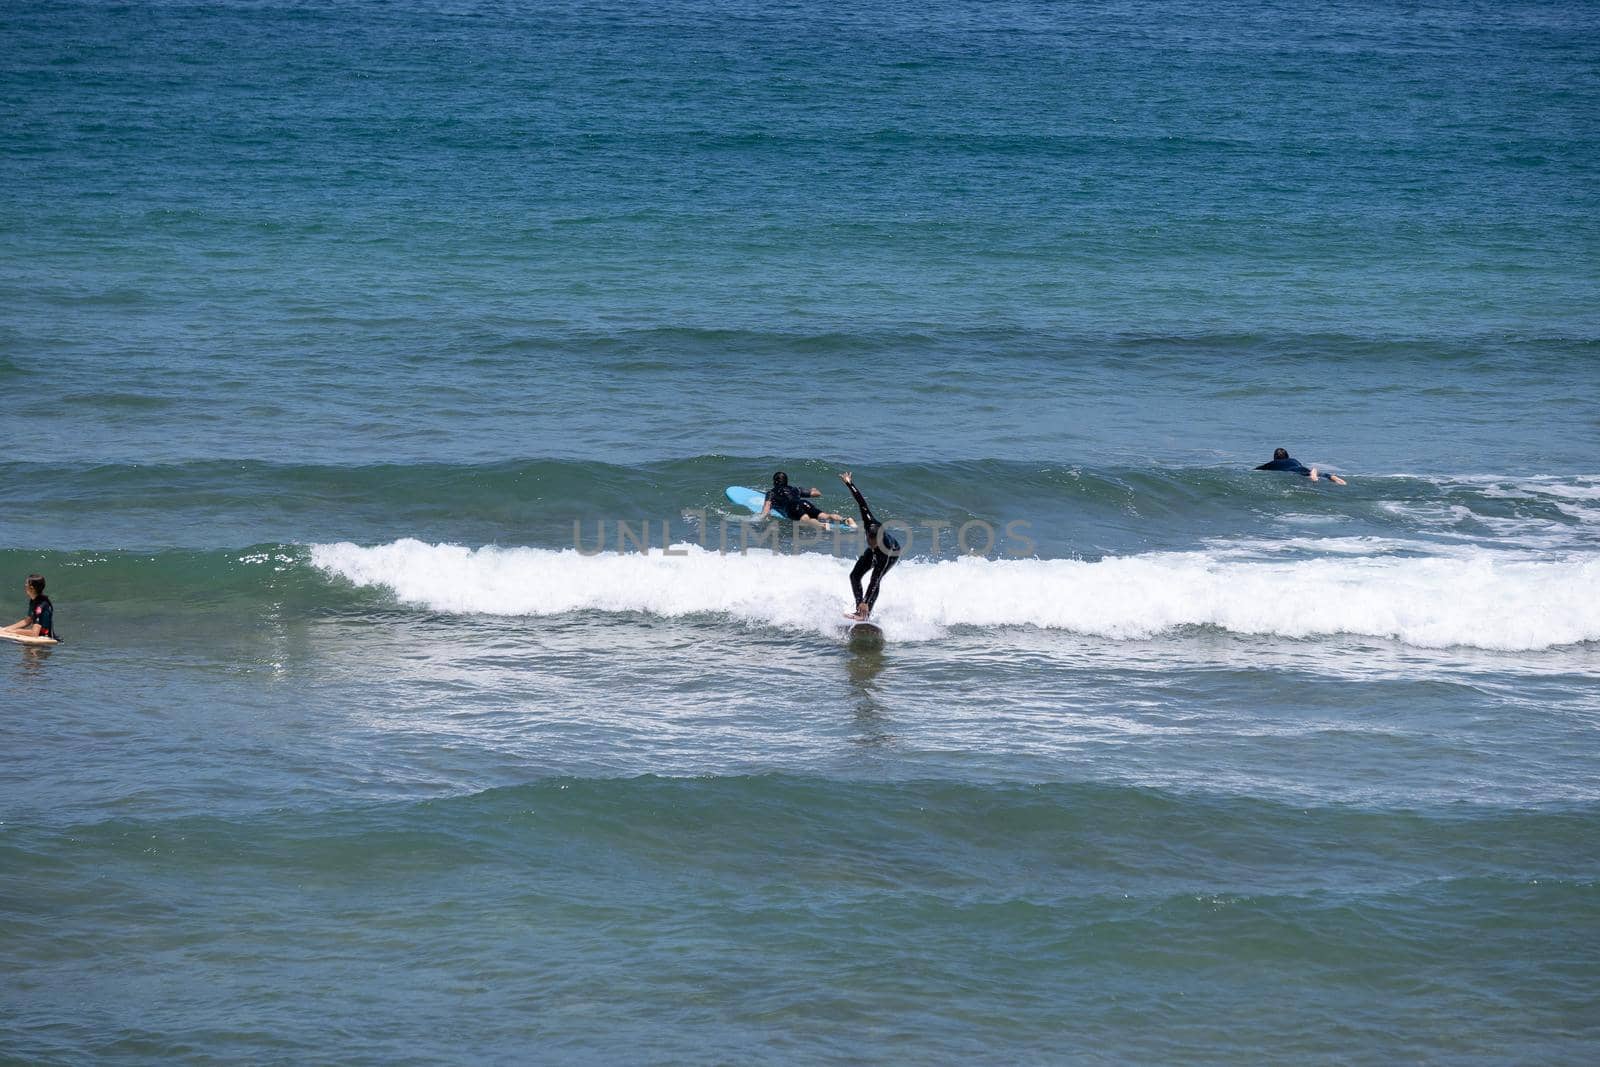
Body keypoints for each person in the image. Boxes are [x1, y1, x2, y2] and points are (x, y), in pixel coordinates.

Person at [839, 471, 901, 621]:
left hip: (892, 552)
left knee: (876, 580)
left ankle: (865, 612)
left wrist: (866, 601)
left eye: (874, 544)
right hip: (877, 551)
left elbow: (875, 579)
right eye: (869, 542)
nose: (871, 545)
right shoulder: (869, 522)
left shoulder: (883, 550)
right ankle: (859, 608)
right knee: (854, 575)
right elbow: (861, 502)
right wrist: (849, 483)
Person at [760, 471, 855, 528]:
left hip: (792, 508)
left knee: (805, 519)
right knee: (825, 516)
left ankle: (822, 526)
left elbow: (767, 507)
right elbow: (817, 493)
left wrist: (762, 518)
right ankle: (845, 520)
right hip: (803, 503)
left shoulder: (771, 492)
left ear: (775, 482)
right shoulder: (795, 489)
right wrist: (813, 489)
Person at [4, 574, 58, 641]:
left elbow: (34, 633)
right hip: (38, 639)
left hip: (45, 642)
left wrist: (13, 631)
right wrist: (6, 629)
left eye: (26, 584)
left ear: (32, 588)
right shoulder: (34, 600)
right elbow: (28, 620)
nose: (25, 586)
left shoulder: (40, 606)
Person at [1255, 447, 1347, 485]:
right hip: (1302, 469)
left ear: (1275, 457)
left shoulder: (1272, 463)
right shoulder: (1293, 460)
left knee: (1308, 476)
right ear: (1287, 456)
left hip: (1294, 471)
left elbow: (1257, 469)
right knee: (1321, 475)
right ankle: (1338, 480)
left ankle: (1314, 474)